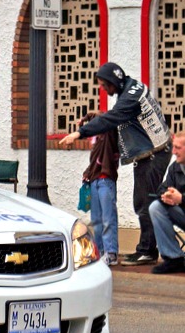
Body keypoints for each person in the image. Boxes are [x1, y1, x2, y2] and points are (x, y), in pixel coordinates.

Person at [60, 62, 171, 266]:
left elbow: (113, 117)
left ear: (113, 82)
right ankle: (147, 249)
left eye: (104, 85)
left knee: (145, 203)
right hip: (151, 153)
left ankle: (147, 251)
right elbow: (115, 115)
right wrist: (95, 116)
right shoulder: (130, 88)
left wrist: (79, 133)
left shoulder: (129, 97)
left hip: (154, 154)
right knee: (142, 202)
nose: (103, 89)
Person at [78, 112, 120, 266]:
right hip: (95, 181)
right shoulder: (96, 141)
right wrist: (88, 174)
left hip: (105, 180)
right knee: (96, 220)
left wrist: (89, 117)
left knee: (108, 218)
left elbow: (105, 119)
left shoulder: (108, 134)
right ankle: (100, 252)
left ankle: (111, 253)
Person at [148, 131, 185, 274]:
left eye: (178, 148)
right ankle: (174, 258)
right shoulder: (175, 168)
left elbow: (180, 198)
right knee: (156, 207)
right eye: (173, 147)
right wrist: (166, 195)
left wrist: (181, 199)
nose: (174, 152)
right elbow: (162, 188)